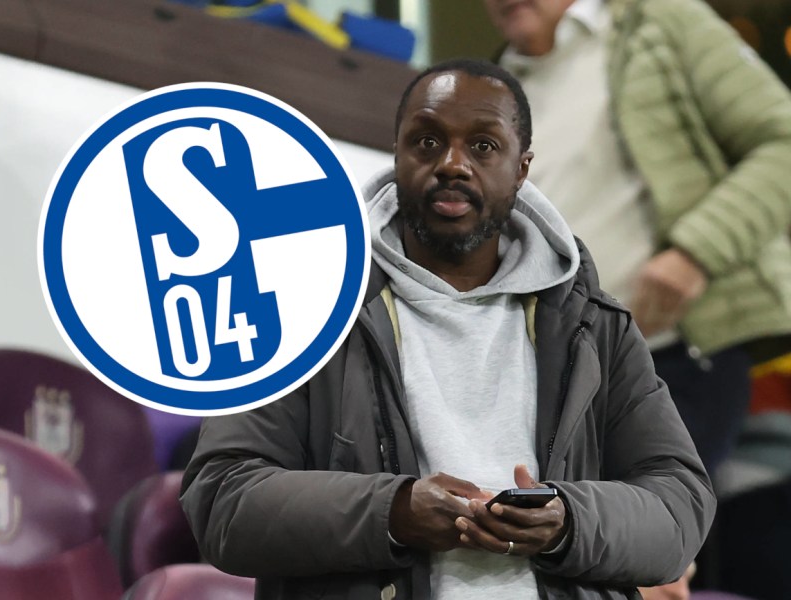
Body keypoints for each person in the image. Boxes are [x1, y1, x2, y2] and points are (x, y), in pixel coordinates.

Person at [180, 59, 715, 600]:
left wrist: (567, 521)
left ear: (521, 169)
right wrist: (394, 511)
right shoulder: (304, 308)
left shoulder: (595, 326)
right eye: (428, 142)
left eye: (483, 146)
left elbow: (679, 507)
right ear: (397, 154)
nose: (453, 164)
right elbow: (224, 499)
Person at [481, 0, 791, 476]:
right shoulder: (494, 86)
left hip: (671, 358)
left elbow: (782, 142)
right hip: (546, 385)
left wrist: (695, 254)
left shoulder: (657, 22)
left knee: (648, 519)